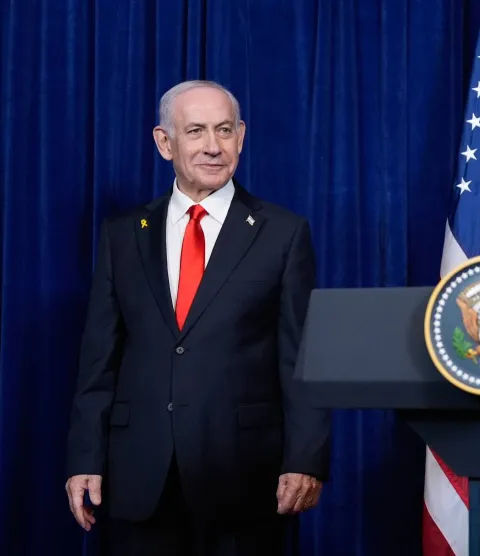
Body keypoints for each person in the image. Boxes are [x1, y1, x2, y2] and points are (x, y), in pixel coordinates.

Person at [64, 80, 331, 555]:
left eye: (224, 130)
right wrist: (85, 457)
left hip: (244, 480)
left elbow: (303, 357)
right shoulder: (123, 234)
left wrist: (305, 459)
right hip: (140, 477)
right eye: (196, 131)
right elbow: (98, 359)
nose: (213, 146)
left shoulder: (283, 233)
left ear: (241, 136)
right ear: (165, 142)